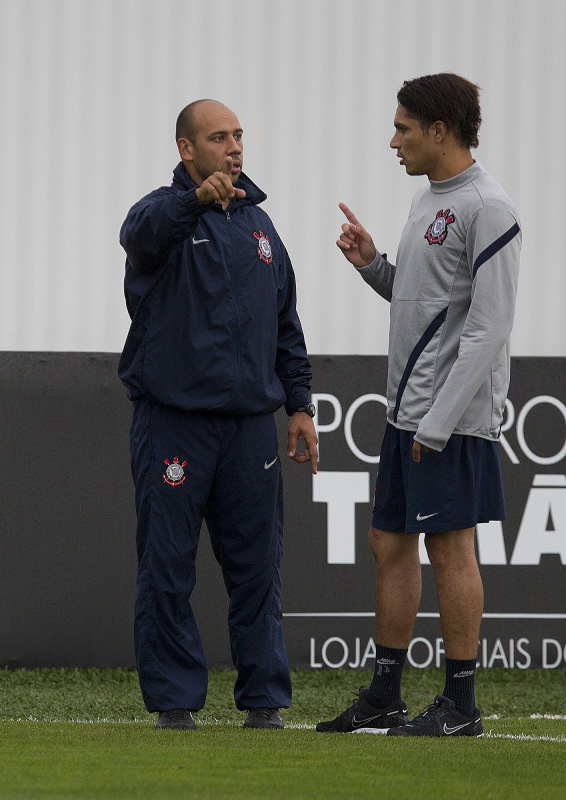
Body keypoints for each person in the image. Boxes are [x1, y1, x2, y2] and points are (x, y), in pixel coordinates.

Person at [319, 73, 521, 737]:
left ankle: (460, 706)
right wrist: (375, 266)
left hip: (452, 418)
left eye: (403, 127)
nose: (393, 140)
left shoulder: (489, 206)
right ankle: (384, 695)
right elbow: (424, 300)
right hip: (410, 410)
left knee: (449, 549)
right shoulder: (428, 200)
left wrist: (439, 422)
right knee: (388, 542)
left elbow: (489, 328)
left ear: (440, 130)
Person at [119, 99, 319, 731]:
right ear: (186, 149)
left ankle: (265, 702)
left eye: (238, 136)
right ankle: (176, 703)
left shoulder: (262, 227)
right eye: (218, 137)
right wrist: (193, 202)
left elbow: (285, 323)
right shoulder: (163, 214)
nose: (234, 147)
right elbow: (139, 235)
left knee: (258, 568)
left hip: (251, 425)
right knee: (168, 566)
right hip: (175, 421)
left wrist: (301, 404)